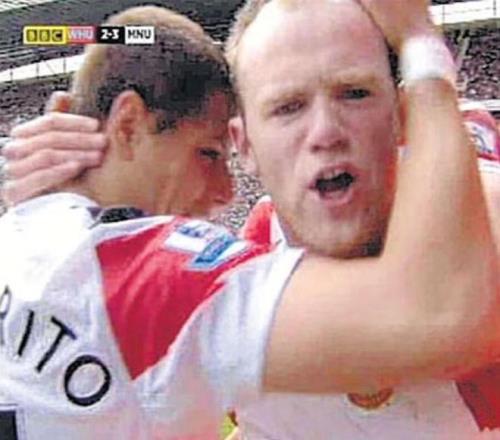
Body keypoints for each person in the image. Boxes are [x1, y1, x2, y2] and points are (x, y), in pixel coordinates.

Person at [3, 1, 500, 439]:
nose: (325, 131)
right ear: (245, 145)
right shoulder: (226, 275)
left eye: (354, 93)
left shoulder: (479, 225)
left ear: (403, 115)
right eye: (288, 108)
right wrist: (420, 44)